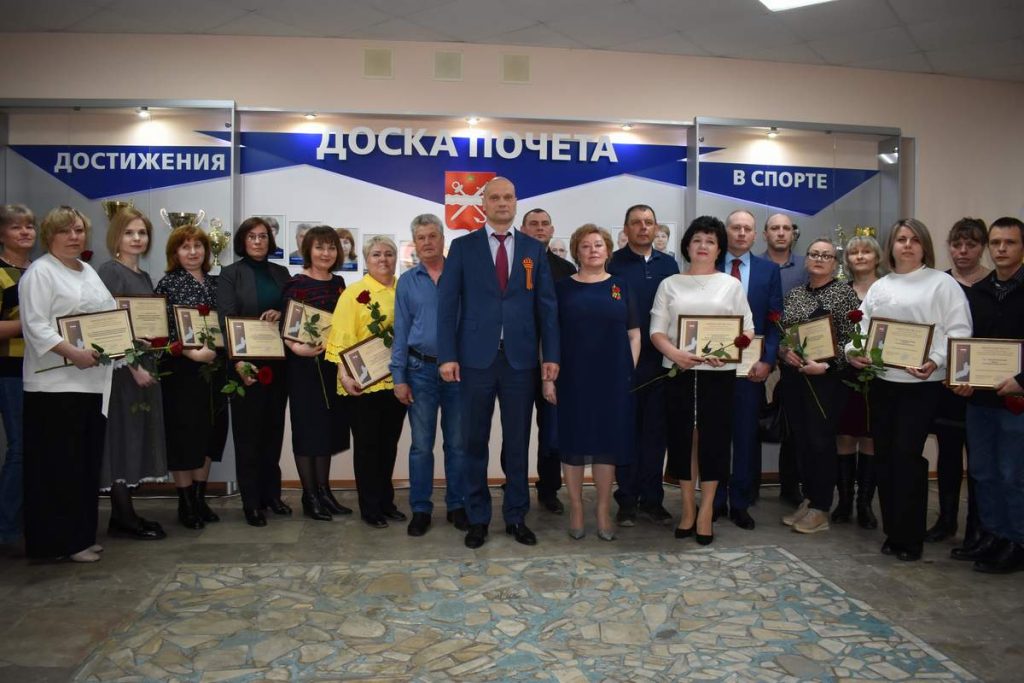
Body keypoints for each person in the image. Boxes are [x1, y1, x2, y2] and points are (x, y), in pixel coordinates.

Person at [437, 176, 559, 549]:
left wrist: (551, 356)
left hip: (520, 360)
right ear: (484, 204)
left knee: (518, 442)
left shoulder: (533, 249)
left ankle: (516, 516)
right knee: (473, 441)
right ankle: (478, 518)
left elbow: (547, 308)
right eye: (495, 197)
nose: (502, 203)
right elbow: (447, 305)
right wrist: (447, 355)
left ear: (516, 202)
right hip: (474, 360)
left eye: (508, 197)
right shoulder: (462, 247)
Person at [848, 218, 972, 561]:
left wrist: (935, 360)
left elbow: (958, 329)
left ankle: (911, 538)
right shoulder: (881, 286)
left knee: (907, 459)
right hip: (883, 382)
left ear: (924, 246)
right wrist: (853, 352)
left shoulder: (942, 284)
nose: (907, 245)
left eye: (915, 240)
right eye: (901, 239)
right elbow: (863, 327)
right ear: (891, 246)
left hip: (921, 386)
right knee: (885, 458)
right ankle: (893, 532)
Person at [651, 216, 754, 545]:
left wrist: (727, 350)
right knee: (683, 440)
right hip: (678, 373)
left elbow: (747, 330)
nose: (703, 246)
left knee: (714, 441)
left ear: (719, 248)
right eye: (697, 240)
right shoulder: (670, 284)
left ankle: (707, 509)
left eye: (710, 241)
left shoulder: (730, 285)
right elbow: (656, 331)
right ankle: (687, 509)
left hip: (718, 376)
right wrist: (676, 354)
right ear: (687, 246)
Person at [20, 206, 114, 562]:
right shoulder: (41, 272)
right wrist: (72, 353)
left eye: (78, 230)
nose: (74, 237)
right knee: (58, 468)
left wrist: (122, 342)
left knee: (84, 465)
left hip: (90, 384)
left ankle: (81, 536)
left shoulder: (88, 270)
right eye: (65, 231)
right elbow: (35, 326)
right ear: (50, 236)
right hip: (54, 387)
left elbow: (107, 315)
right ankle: (57, 543)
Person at [542, 225, 639, 541]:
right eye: (586, 246)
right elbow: (550, 334)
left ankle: (602, 511)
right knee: (572, 444)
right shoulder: (562, 288)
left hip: (612, 380)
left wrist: (628, 370)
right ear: (576, 252)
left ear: (608, 250)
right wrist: (548, 380)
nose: (593, 250)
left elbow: (634, 333)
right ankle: (576, 509)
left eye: (598, 244)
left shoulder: (620, 286)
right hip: (572, 378)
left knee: (606, 447)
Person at [951, 217, 1024, 573]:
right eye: (996, 243)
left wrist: (1022, 381)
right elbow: (966, 341)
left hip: (1016, 401)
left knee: (1013, 475)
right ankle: (993, 534)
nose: (1001, 249)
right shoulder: (977, 292)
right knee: (982, 472)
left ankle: (1017, 541)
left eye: (1009, 242)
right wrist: (961, 377)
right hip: (979, 400)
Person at [391, 214, 467, 536]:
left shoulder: (461, 276)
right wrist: (398, 377)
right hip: (419, 370)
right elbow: (401, 331)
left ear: (442, 239)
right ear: (414, 243)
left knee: (458, 444)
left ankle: (457, 505)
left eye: (432, 236)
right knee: (421, 446)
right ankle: (421, 509)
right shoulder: (407, 282)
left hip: (457, 372)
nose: (427, 242)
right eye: (421, 237)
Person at [777, 239, 860, 534]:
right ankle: (810, 499)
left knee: (820, 442)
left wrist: (827, 365)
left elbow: (854, 340)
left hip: (827, 379)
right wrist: (784, 352)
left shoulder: (844, 294)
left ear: (835, 263)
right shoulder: (795, 294)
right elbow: (785, 335)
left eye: (826, 255)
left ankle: (822, 508)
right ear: (806, 259)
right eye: (814, 254)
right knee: (801, 441)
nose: (819, 259)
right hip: (795, 378)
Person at [96, 208, 168, 541]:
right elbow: (107, 327)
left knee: (137, 436)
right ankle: (123, 515)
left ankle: (125, 514)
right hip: (124, 370)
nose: (137, 238)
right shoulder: (110, 272)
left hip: (144, 365)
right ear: (116, 237)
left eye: (142, 233)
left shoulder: (144, 276)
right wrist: (133, 366)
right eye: (129, 233)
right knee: (121, 438)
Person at [327, 235, 407, 528]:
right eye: (376, 254)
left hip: (396, 382)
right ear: (366, 259)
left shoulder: (404, 289)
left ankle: (386, 502)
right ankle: (370, 507)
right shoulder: (353, 293)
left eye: (388, 253)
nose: (383, 259)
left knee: (389, 446)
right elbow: (340, 338)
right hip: (363, 383)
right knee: (367, 447)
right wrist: (344, 376)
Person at [608, 204, 679, 527]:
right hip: (625, 362)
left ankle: (653, 500)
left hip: (663, 363)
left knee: (655, 435)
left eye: (649, 222)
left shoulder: (670, 264)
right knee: (625, 432)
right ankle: (626, 500)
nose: (643, 227)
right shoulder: (613, 263)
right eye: (636, 222)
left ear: (656, 227)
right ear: (626, 229)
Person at [154, 226, 229, 530]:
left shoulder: (217, 283)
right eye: (185, 247)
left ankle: (200, 498)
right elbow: (159, 333)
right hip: (182, 373)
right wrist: (191, 353)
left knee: (210, 433)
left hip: (215, 371)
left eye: (198, 246)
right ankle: (185, 502)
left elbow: (228, 322)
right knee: (184, 436)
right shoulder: (168, 284)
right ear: (175, 253)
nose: (193, 252)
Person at [218, 217, 291, 526]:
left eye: (263, 236)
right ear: (243, 241)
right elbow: (225, 318)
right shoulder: (230, 274)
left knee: (273, 433)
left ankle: (271, 495)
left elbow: (292, 311)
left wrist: (281, 313)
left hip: (278, 364)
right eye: (252, 236)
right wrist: (237, 362)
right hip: (246, 365)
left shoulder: (282, 273)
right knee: (248, 436)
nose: (258, 241)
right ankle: (251, 502)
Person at [715, 209, 783, 530]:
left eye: (747, 229)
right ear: (725, 231)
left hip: (751, 370)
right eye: (735, 227)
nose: (741, 233)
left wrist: (768, 360)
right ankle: (714, 500)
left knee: (745, 437)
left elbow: (775, 320)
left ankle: (740, 503)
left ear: (756, 235)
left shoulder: (769, 271)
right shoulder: (710, 265)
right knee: (716, 436)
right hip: (713, 366)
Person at [281, 226, 351, 521]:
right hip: (304, 368)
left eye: (332, 247)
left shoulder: (339, 283)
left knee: (327, 431)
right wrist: (297, 349)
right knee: (307, 431)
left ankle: (325, 492)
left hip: (331, 366)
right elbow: (285, 327)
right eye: (320, 247)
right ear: (308, 250)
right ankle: (309, 496)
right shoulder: (296, 284)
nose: (326, 253)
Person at [926, 218, 988, 543]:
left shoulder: (995, 285)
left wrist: (976, 377)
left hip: (985, 389)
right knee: (949, 454)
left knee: (980, 461)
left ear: (982, 247)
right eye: (956, 244)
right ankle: (947, 520)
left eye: (971, 245)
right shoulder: (941, 284)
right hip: (947, 384)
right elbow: (934, 333)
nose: (962, 251)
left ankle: (979, 526)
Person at [519, 207, 576, 514]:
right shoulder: (511, 264)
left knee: (551, 429)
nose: (539, 229)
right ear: (523, 230)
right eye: (533, 224)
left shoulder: (566, 269)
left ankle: (549, 489)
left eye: (544, 224)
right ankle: (515, 484)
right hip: (517, 359)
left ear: (552, 230)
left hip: (552, 361)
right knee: (515, 428)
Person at [834, 234, 883, 529]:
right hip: (845, 372)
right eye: (854, 253)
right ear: (847, 260)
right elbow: (832, 333)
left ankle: (865, 504)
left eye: (866, 251)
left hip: (879, 374)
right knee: (844, 435)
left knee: (870, 436)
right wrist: (847, 353)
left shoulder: (888, 289)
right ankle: (844, 502)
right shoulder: (840, 292)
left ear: (877, 257)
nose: (860, 257)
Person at [760, 213, 807, 509]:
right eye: (774, 228)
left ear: (793, 234)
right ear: (764, 234)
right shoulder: (755, 265)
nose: (780, 233)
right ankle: (746, 486)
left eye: (786, 228)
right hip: (760, 357)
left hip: (796, 358)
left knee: (793, 426)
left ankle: (791, 486)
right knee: (753, 423)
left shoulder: (806, 266)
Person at [0, 204, 36, 548]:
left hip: (44, 369)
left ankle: (31, 521)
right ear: (2, 234)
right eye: (16, 227)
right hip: (11, 370)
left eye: (29, 226)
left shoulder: (39, 269)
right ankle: (8, 528)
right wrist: (33, 323)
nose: (25, 232)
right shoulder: (0, 273)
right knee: (21, 449)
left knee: (37, 448)